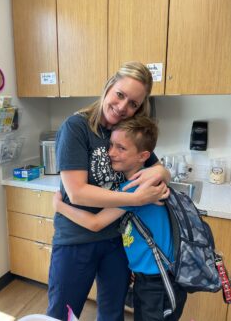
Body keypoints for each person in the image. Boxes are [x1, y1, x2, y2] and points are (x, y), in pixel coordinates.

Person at [47, 61, 171, 321]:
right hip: (75, 241)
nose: (123, 106)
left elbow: (158, 168)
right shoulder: (76, 127)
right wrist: (134, 198)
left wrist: (161, 172)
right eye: (120, 94)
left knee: (112, 314)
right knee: (62, 314)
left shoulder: (125, 131)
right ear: (109, 87)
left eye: (133, 103)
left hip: (116, 240)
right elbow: (78, 192)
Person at [53, 116, 187, 321]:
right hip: (155, 274)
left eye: (121, 148)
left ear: (143, 156)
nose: (111, 153)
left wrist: (60, 206)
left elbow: (95, 223)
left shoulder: (134, 188)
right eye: (111, 145)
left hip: (158, 280)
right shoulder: (147, 181)